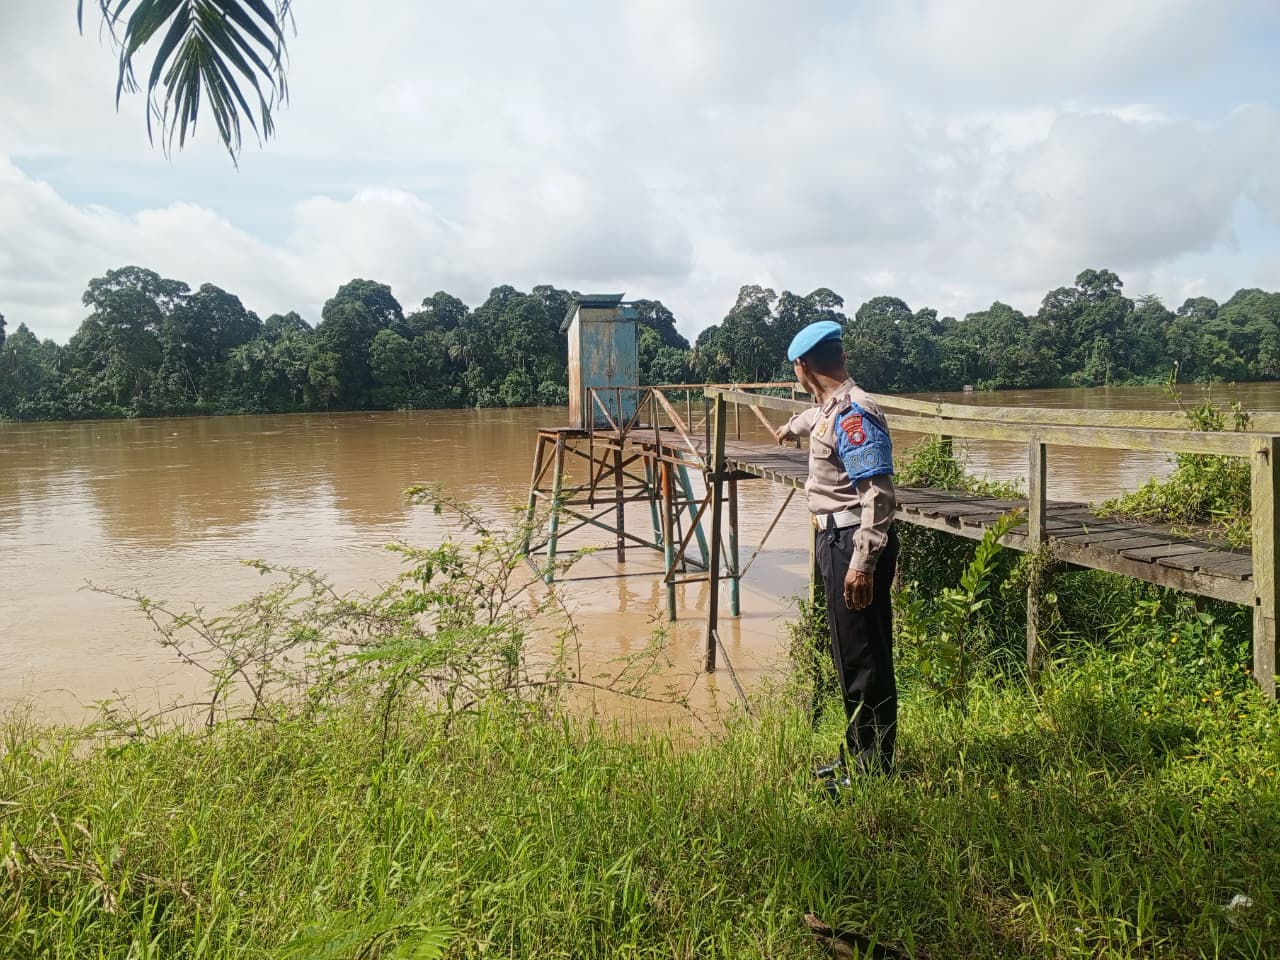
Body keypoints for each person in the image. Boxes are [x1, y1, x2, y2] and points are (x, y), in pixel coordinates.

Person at [774, 320, 899, 783]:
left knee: (864, 658)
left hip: (853, 544)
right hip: (834, 540)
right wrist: (790, 427)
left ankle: (871, 772)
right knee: (851, 655)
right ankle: (858, 758)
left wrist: (863, 564)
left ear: (803, 367)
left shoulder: (853, 415)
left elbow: (879, 496)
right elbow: (815, 419)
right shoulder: (832, 408)